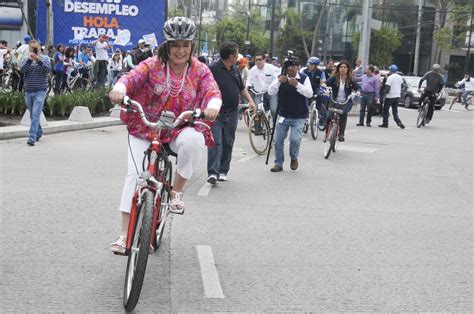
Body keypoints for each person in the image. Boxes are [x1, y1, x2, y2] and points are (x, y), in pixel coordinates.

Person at [108, 16, 222, 254]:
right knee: (135, 175)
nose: (180, 51)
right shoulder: (151, 64)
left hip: (179, 128)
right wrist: (119, 89)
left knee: (194, 140)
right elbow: (130, 78)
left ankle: (177, 191)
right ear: (166, 46)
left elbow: (213, 91)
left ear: (192, 46)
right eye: (175, 45)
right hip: (145, 127)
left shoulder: (200, 70)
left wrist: (213, 105)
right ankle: (123, 235)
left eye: (185, 45)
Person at [206, 43, 256, 184]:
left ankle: (223, 170)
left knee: (228, 142)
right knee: (215, 142)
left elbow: (241, 88)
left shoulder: (235, 69)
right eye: (237, 54)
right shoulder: (212, 69)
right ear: (231, 56)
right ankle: (213, 173)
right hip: (216, 113)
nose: (238, 58)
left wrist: (251, 101)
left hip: (232, 113)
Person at [267, 56, 313, 172]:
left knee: (295, 139)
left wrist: (297, 85)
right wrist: (278, 82)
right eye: (288, 66)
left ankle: (294, 157)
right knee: (278, 140)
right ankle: (278, 163)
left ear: (298, 67)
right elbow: (270, 91)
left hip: (299, 115)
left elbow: (309, 94)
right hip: (283, 114)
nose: (291, 69)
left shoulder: (303, 78)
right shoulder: (281, 78)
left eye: (293, 66)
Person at [20, 39, 51, 146]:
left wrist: (38, 60)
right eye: (31, 48)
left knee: (35, 115)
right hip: (28, 91)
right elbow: (22, 70)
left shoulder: (45, 58)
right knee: (33, 115)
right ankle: (39, 132)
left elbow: (47, 70)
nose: (33, 50)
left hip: (40, 91)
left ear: (39, 48)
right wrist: (30, 60)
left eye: (35, 48)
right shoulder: (25, 58)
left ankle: (31, 138)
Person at [324, 60, 358, 142]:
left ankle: (341, 134)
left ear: (348, 69)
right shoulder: (334, 78)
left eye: (345, 67)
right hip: (334, 100)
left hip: (345, 101)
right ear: (338, 68)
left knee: (343, 115)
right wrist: (326, 88)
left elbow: (358, 87)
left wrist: (357, 92)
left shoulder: (350, 79)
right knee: (329, 116)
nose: (343, 69)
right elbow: (325, 83)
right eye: (341, 67)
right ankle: (326, 134)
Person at [247, 53, 279, 119]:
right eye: (256, 60)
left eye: (260, 59)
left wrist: (273, 86)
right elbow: (249, 81)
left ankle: (275, 126)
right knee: (256, 110)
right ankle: (257, 127)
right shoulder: (253, 70)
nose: (258, 61)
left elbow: (276, 79)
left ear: (264, 60)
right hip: (258, 92)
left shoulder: (271, 68)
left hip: (270, 92)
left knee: (273, 110)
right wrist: (248, 86)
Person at [301, 56, 326, 127]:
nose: (310, 66)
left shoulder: (321, 72)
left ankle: (318, 113)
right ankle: (305, 117)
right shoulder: (304, 71)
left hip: (316, 89)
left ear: (316, 66)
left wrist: (323, 86)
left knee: (320, 95)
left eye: (312, 65)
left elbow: (322, 82)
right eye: (309, 64)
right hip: (307, 88)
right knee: (305, 101)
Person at [379, 64, 405, 129]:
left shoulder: (390, 77)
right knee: (395, 111)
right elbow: (402, 86)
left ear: (391, 70)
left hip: (390, 96)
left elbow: (387, 87)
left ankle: (385, 123)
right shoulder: (400, 77)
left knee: (385, 110)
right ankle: (398, 121)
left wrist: (385, 95)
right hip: (397, 96)